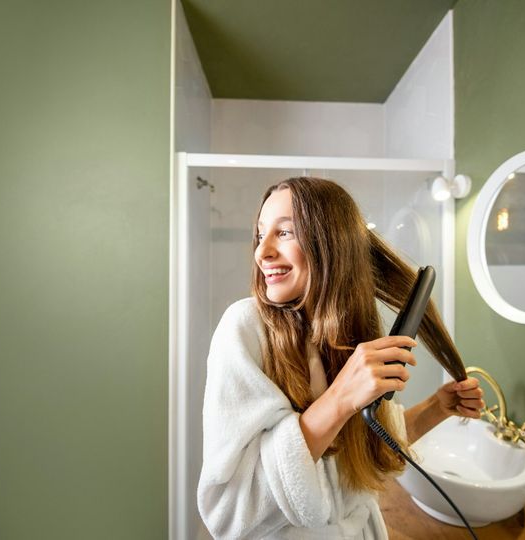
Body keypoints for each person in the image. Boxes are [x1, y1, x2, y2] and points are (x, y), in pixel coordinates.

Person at [197, 177, 484, 539]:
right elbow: (229, 513)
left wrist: (438, 408)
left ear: (332, 243)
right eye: (260, 235)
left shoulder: (346, 336)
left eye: (284, 233)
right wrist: (339, 399)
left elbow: (364, 456)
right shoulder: (245, 328)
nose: (262, 252)